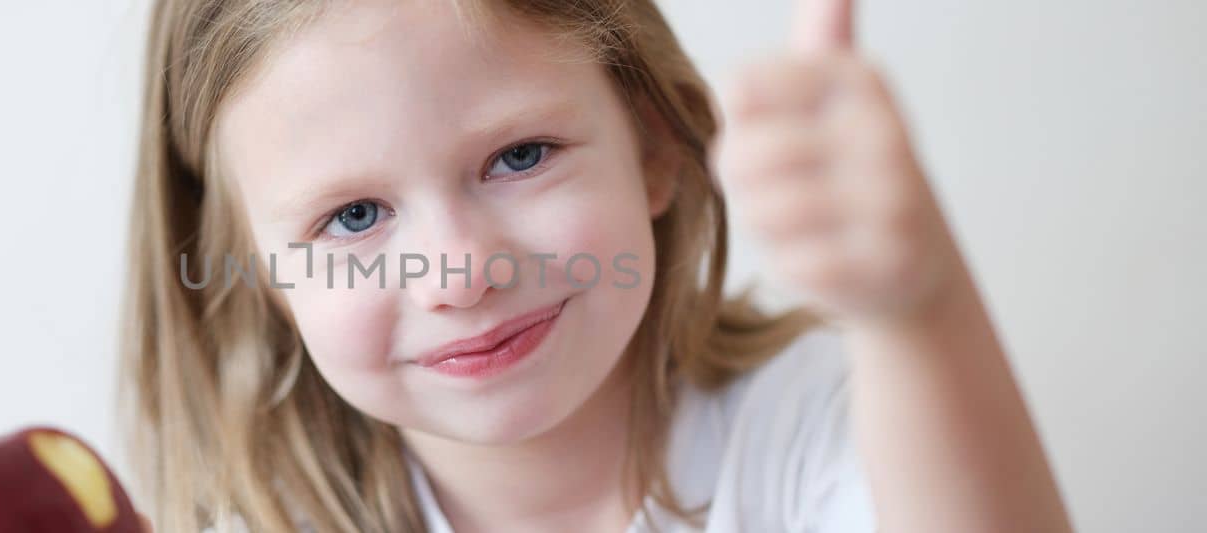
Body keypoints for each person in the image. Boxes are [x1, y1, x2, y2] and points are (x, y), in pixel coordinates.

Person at [120, 0, 1073, 531]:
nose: (459, 273)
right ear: (260, 272)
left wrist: (915, 311)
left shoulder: (812, 432)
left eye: (522, 155)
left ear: (657, 141)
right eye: (354, 215)